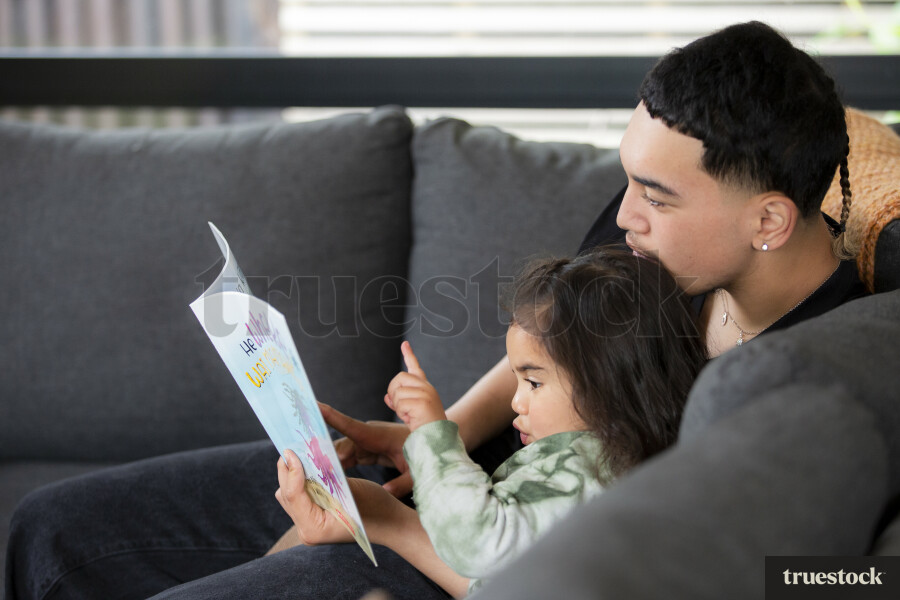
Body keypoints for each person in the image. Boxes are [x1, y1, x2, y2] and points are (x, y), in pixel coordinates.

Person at [5, 21, 867, 600]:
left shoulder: (816, 378)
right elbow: (557, 352)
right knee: (48, 533)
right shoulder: (650, 236)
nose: (626, 216)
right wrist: (428, 439)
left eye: (657, 195)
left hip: (473, 566)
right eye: (627, 176)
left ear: (768, 219)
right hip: (436, 487)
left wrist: (399, 527)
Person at [273, 249, 706, 598]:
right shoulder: (592, 456)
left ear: (613, 380)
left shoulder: (589, 468)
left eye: (533, 382)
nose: (515, 401)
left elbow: (478, 544)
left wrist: (431, 437)